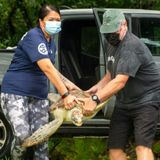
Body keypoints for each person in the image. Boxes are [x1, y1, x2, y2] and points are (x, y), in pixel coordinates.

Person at [0, 4, 80, 160]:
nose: (55, 23)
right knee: (23, 137)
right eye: (51, 19)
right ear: (41, 22)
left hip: (38, 96)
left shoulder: (50, 42)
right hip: (16, 94)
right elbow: (47, 68)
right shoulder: (34, 37)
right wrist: (65, 95)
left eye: (58, 20)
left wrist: (74, 88)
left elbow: (52, 69)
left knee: (41, 141)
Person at [81, 9, 160, 160]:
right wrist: (97, 87)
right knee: (115, 149)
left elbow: (120, 81)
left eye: (113, 32)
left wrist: (95, 99)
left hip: (146, 102)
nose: (110, 36)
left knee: (142, 147)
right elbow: (111, 74)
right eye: (107, 32)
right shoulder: (111, 43)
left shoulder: (131, 46)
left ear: (124, 25)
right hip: (124, 103)